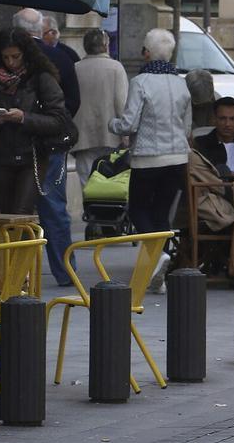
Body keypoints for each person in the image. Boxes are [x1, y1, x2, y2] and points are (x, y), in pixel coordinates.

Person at [110, 28, 192, 293]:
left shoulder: (141, 82)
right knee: (161, 214)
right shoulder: (182, 83)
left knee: (138, 210)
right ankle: (157, 272)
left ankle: (158, 258)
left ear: (146, 52)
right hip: (178, 157)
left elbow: (129, 124)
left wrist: (112, 124)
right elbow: (187, 125)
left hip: (148, 158)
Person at [0, 28, 68, 238]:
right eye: (6, 57)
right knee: (6, 215)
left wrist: (24, 118)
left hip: (33, 155)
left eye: (15, 56)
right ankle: (11, 266)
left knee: (22, 214)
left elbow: (60, 120)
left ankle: (21, 267)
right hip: (2, 155)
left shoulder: (41, 78)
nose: (11, 62)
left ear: (25, 53)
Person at [12, 7, 79, 284]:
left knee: (14, 209)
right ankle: (66, 272)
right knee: (53, 207)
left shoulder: (10, 62)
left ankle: (14, 272)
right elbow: (73, 102)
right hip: (53, 145)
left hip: (17, 144)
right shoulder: (62, 56)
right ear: (41, 29)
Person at [73, 29, 128, 188]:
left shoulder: (76, 67)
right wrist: (126, 135)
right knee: (109, 184)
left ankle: (89, 212)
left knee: (87, 184)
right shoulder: (116, 67)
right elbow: (122, 103)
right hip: (110, 135)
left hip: (83, 135)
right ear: (105, 45)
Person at [194, 97, 234, 176]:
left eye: (232, 119)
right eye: (222, 118)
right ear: (214, 119)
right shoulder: (200, 145)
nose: (227, 124)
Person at [186, 69, 218, 134]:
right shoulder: (180, 100)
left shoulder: (217, 101)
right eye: (197, 105)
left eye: (204, 104)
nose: (201, 107)